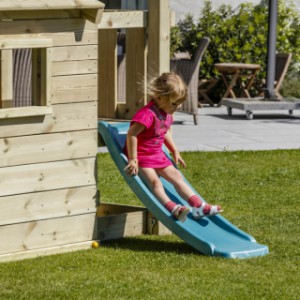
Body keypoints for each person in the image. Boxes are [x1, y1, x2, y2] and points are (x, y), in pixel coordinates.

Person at [124, 72, 222, 222]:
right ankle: (173, 208)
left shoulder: (167, 112)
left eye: (179, 103)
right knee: (155, 182)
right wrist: (133, 159)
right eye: (174, 103)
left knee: (177, 176)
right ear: (159, 97)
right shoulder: (147, 115)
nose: (177, 107)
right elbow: (132, 134)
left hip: (157, 155)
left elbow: (164, 133)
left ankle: (198, 206)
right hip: (142, 156)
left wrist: (174, 149)